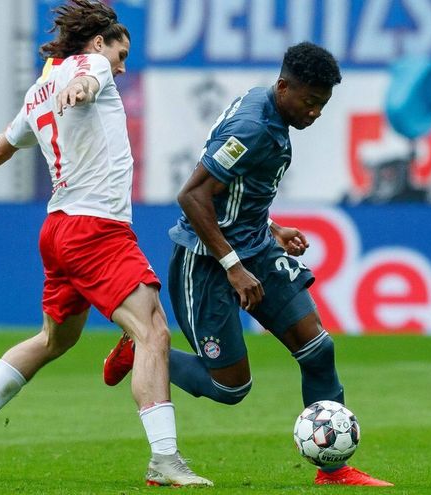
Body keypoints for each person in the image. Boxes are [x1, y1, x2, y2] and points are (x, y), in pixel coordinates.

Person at [0, 0, 211, 487]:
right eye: (121, 54)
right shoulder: (90, 65)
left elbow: (0, 145)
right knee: (153, 333)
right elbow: (89, 77)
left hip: (58, 229)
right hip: (96, 229)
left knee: (55, 339)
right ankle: (164, 459)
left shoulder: (38, 91)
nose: (122, 67)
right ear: (99, 43)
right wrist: (83, 86)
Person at [103, 42, 393, 487]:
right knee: (230, 388)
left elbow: (237, 191)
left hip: (254, 247)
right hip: (206, 262)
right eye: (310, 101)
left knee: (318, 350)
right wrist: (233, 266)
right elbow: (192, 196)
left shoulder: (270, 108)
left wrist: (272, 228)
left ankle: (333, 470)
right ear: (284, 87)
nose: (315, 112)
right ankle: (141, 350)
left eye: (322, 104)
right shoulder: (252, 128)